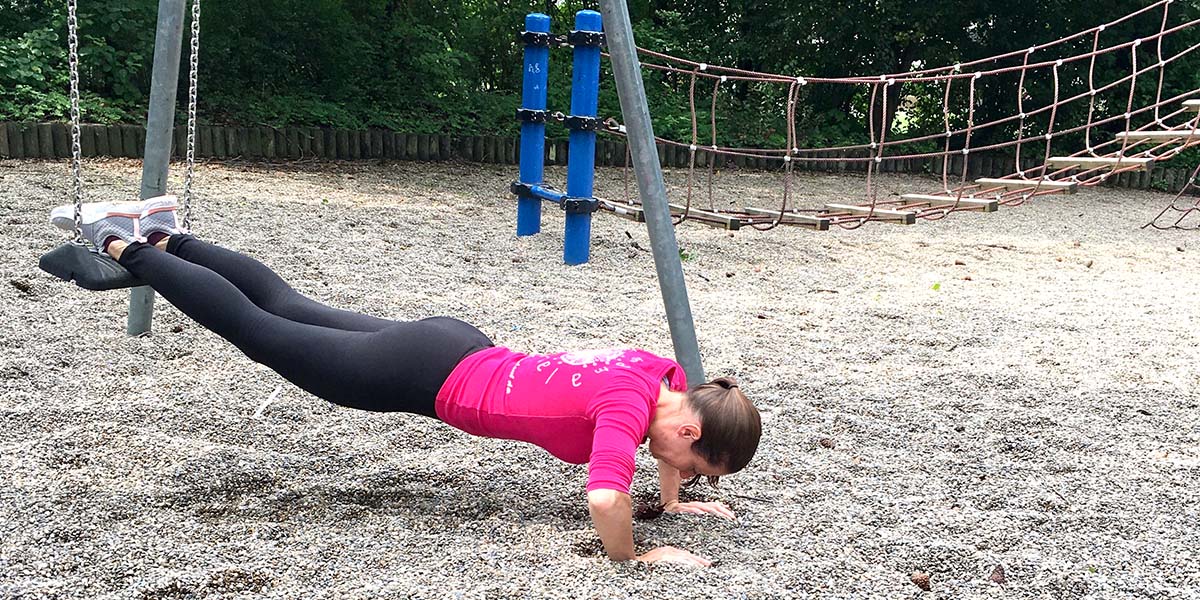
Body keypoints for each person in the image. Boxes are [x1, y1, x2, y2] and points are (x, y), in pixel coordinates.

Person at [52, 196, 762, 567]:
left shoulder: (664, 379)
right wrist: (637, 556)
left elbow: (664, 442)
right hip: (419, 377)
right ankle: (120, 242)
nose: (678, 471)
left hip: (455, 343)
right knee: (260, 332)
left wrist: (673, 504)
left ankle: (171, 236)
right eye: (692, 466)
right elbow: (607, 498)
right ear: (689, 429)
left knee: (289, 306)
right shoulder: (623, 413)